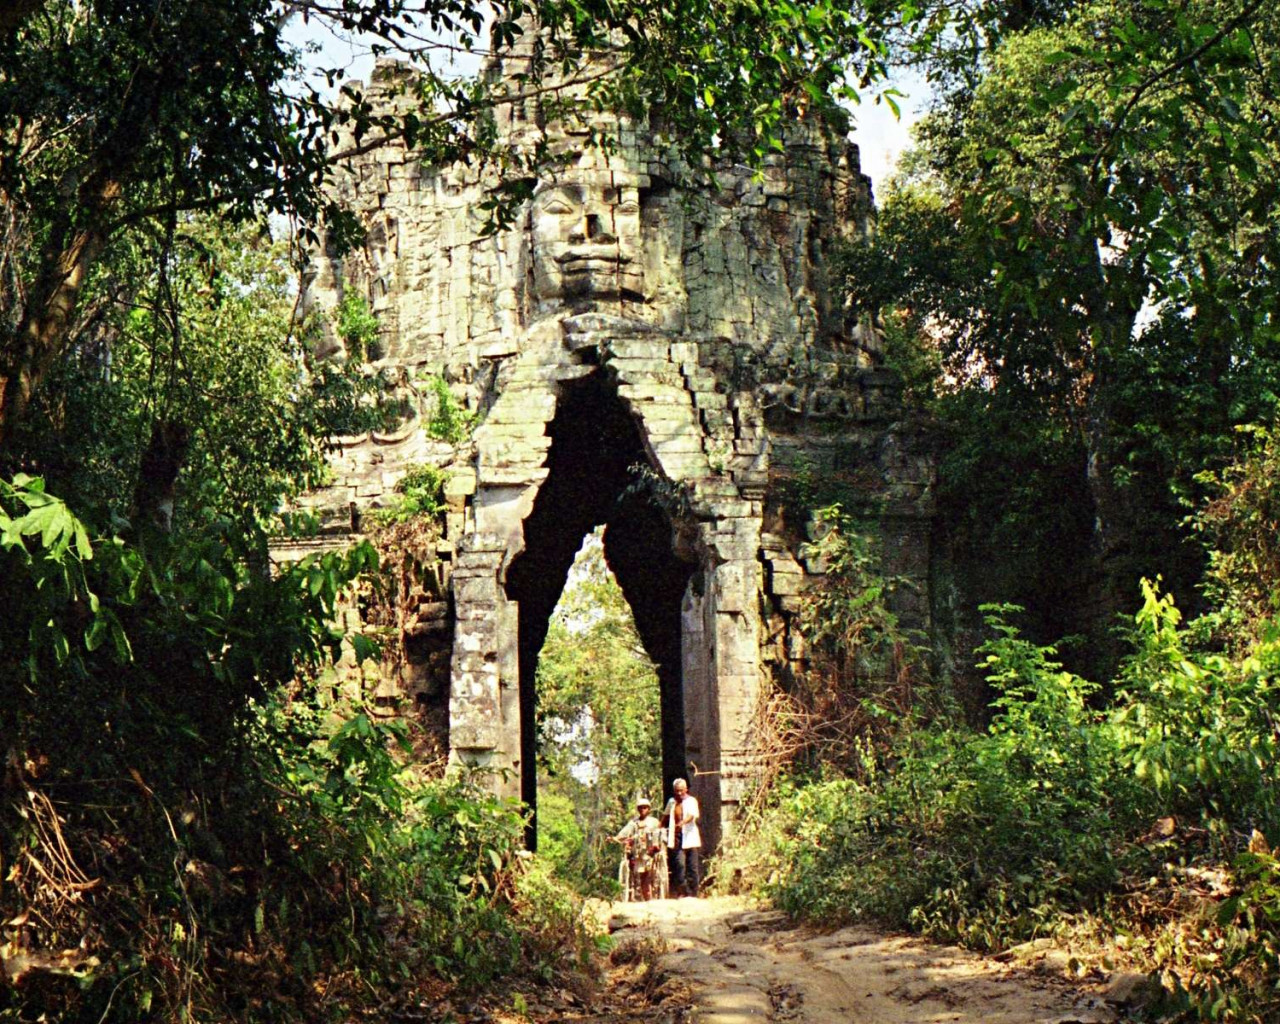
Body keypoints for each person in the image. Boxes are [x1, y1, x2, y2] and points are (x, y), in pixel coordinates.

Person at [613, 797, 662, 900]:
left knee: (652, 837)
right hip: (638, 850)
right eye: (640, 808)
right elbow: (624, 832)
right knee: (637, 864)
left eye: (645, 808)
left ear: (649, 809)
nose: (643, 810)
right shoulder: (633, 822)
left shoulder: (654, 822)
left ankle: (649, 892)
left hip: (650, 850)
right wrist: (616, 838)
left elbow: (659, 833)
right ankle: (640, 893)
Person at [662, 777, 701, 897]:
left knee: (692, 866)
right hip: (677, 838)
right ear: (674, 790)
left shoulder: (691, 801)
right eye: (677, 790)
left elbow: (691, 816)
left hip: (690, 837)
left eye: (681, 790)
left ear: (686, 789)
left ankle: (693, 892)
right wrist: (659, 827)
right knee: (680, 865)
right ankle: (683, 891)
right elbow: (666, 816)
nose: (679, 793)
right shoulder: (671, 802)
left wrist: (682, 823)